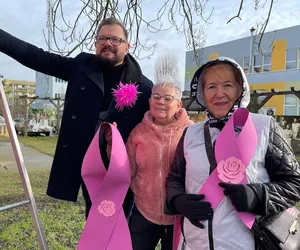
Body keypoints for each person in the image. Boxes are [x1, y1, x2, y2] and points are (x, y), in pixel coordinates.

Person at [0, 17, 153, 218]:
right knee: (95, 220)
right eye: (102, 38)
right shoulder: (81, 66)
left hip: (123, 170)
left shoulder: (144, 86)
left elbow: (158, 124)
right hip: (88, 163)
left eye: (115, 39)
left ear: (127, 46)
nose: (108, 43)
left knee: (123, 225)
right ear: (96, 44)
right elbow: (37, 57)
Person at [165, 57, 300, 250]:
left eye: (227, 85)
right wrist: (177, 200)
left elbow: (294, 183)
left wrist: (259, 196)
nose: (219, 93)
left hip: (248, 244)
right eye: (211, 86)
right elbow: (175, 177)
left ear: (240, 89)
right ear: (202, 93)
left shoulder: (264, 126)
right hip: (195, 243)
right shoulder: (190, 133)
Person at [125, 54, 194, 250]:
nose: (160, 101)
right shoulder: (138, 132)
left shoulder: (192, 131)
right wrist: (111, 145)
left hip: (179, 217)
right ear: (149, 101)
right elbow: (126, 169)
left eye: (168, 98)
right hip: (143, 213)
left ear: (179, 104)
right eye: (156, 96)